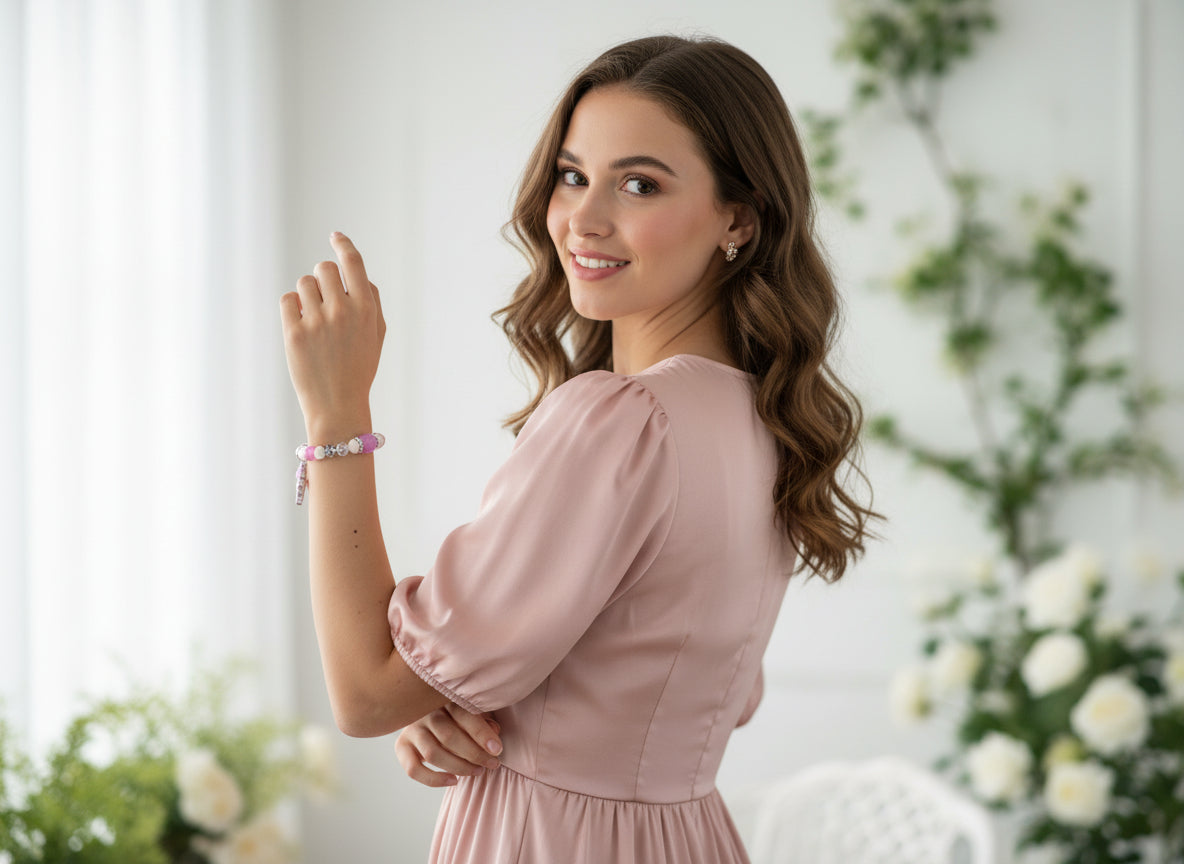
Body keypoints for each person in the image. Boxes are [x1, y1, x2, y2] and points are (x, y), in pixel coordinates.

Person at [279, 33, 878, 864]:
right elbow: (695, 693)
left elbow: (366, 692)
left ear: (739, 218)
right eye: (571, 175)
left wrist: (336, 416)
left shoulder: (621, 423)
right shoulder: (765, 422)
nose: (583, 220)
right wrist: (447, 695)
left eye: (639, 184)